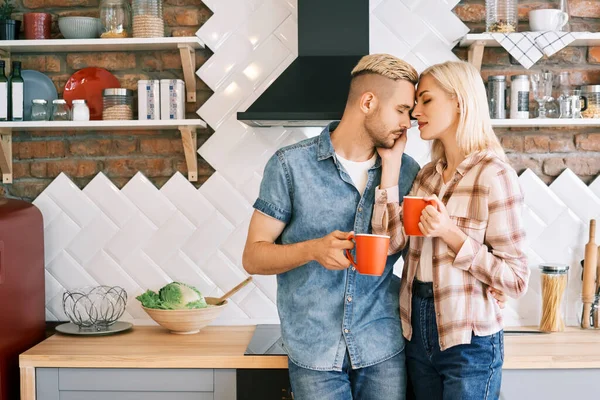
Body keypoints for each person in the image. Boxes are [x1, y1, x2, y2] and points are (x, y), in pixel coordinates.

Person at [242, 54, 421, 399]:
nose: (407, 124)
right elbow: (253, 256)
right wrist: (313, 249)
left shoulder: (407, 170)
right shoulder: (290, 166)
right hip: (314, 351)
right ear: (368, 102)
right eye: (401, 110)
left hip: (382, 347)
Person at [372, 60, 530, 400]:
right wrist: (391, 165)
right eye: (416, 103)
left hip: (468, 340)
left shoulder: (494, 175)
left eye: (426, 100)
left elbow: (516, 279)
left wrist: (450, 233)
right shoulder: (427, 176)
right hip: (416, 330)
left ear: (459, 101)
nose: (415, 112)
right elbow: (390, 243)